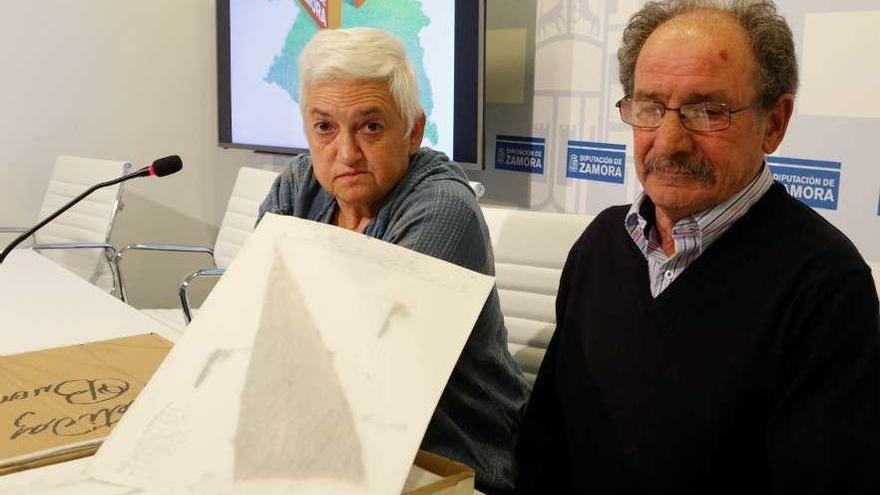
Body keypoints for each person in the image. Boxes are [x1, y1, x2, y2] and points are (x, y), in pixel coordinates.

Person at [515, 1, 880, 493]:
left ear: (774, 122)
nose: (668, 142)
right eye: (649, 108)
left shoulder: (826, 286)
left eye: (708, 111)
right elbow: (545, 444)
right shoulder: (601, 245)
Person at [256, 27, 529, 493]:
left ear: (413, 131)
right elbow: (253, 318)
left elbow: (371, 368)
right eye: (324, 127)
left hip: (454, 460)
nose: (345, 153)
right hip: (336, 446)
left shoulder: (442, 208)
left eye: (370, 126)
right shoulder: (299, 183)